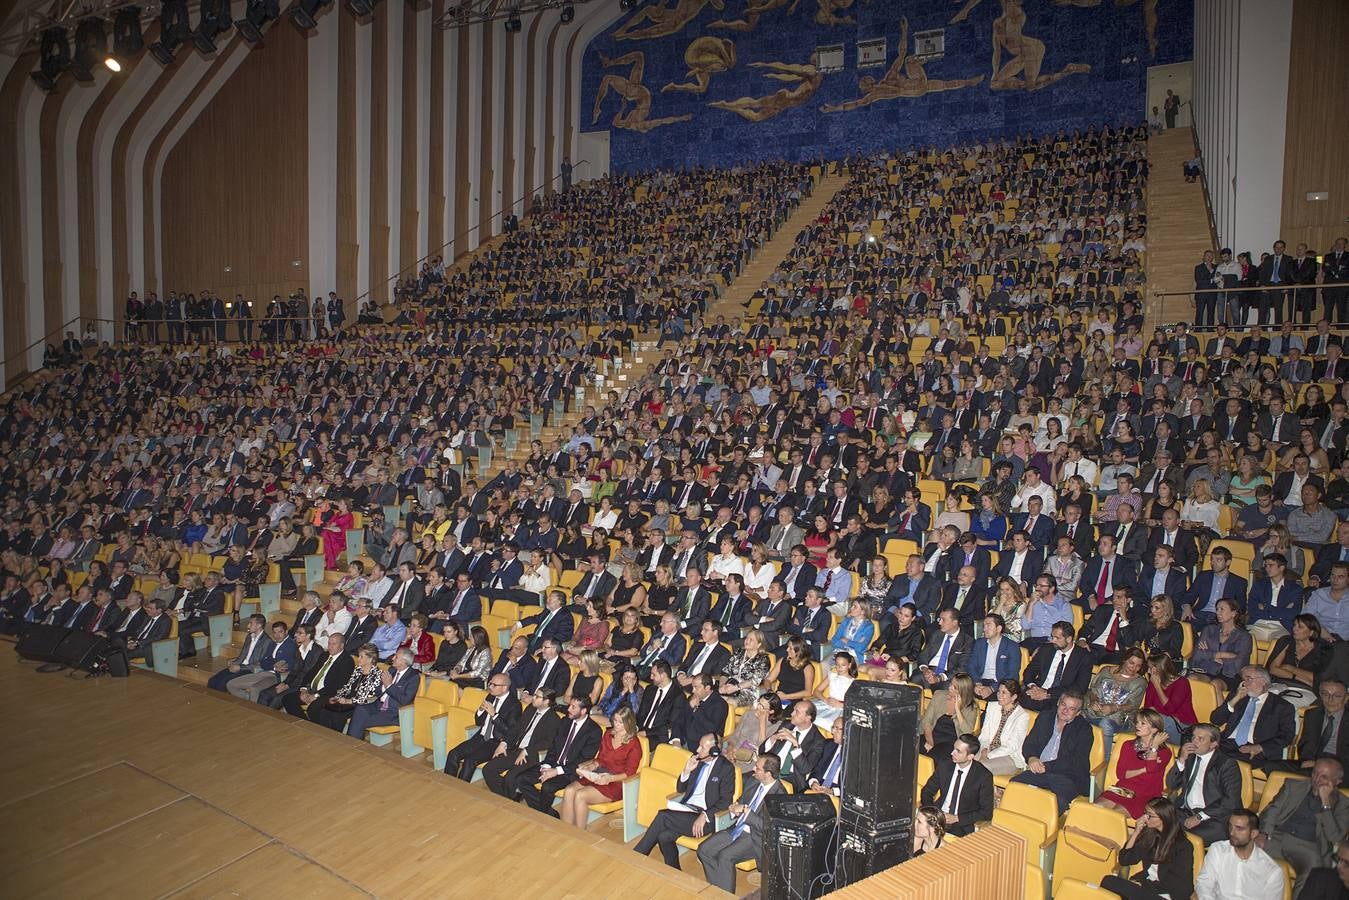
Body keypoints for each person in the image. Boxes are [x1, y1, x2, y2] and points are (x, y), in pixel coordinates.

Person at [633, 732, 736, 869]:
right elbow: (680, 788)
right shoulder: (697, 762)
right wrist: (687, 771)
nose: (698, 750)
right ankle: (674, 870)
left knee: (663, 816)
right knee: (664, 836)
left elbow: (725, 801)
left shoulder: (726, 769)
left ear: (714, 750)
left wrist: (704, 815)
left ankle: (637, 855)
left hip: (705, 819)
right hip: (686, 811)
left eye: (702, 748)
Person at [1257, 756, 1349, 894]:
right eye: (1314, 773)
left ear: (1336, 781)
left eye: (1323, 777)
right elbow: (1272, 810)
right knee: (1247, 852)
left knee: (1313, 876)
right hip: (1276, 837)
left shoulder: (1343, 803)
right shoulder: (1293, 785)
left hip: (1310, 847)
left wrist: (1325, 804)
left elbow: (1335, 837)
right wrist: (1264, 834)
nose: (1316, 780)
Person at [696, 753, 786, 894]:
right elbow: (742, 799)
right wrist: (734, 808)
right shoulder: (753, 781)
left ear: (768, 774)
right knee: (704, 850)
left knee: (725, 856)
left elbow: (768, 827)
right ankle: (720, 891)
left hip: (756, 838)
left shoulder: (780, 796)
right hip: (737, 828)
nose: (754, 769)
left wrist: (745, 811)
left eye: (758, 768)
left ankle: (724, 894)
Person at [514, 695, 604, 815]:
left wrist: (556, 771)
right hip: (553, 764)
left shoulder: (594, 731)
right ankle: (548, 813)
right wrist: (546, 766)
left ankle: (540, 814)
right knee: (522, 779)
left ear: (583, 711)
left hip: (571, 771)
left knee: (548, 786)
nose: (568, 709)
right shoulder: (565, 722)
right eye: (569, 706)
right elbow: (554, 747)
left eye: (573, 707)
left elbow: (583, 760)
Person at [1011, 689, 1094, 814]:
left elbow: (1075, 761)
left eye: (1071, 709)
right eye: (1063, 705)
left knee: (1055, 802)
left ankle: (1042, 829)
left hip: (1067, 777)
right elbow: (1030, 743)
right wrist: (1032, 757)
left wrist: (1047, 767)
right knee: (1014, 785)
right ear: (1058, 703)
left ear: (1078, 713)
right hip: (1039, 770)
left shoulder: (1084, 729)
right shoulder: (1045, 717)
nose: (1065, 710)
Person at [558, 706, 642, 827]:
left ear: (629, 723)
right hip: (599, 774)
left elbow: (630, 773)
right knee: (569, 790)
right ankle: (566, 829)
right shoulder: (608, 734)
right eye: (615, 721)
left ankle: (579, 833)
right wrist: (591, 766)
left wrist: (609, 778)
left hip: (616, 782)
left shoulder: (634, 744)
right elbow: (600, 759)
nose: (616, 725)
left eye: (620, 722)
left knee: (580, 795)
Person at [1101, 797, 1196, 900]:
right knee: (1108, 881)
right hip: (1148, 889)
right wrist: (1136, 832)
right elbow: (1125, 860)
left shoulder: (1183, 846)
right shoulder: (1150, 835)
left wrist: (1143, 884)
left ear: (1163, 818)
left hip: (1168, 895)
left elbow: (1177, 884)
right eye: (1145, 813)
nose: (1145, 818)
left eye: (1150, 816)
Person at [1211, 665, 1298, 771]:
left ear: (1263, 681)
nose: (1244, 683)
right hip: (1227, 744)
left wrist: (1260, 747)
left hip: (1255, 749)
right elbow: (1215, 720)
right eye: (1243, 680)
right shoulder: (1237, 697)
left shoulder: (1282, 706)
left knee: (1224, 762)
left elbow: (1287, 735)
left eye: (1248, 679)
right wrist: (1235, 700)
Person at [480, 688, 563, 798]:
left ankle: (507, 800)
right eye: (534, 695)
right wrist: (504, 743)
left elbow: (548, 743)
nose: (533, 698)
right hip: (515, 749)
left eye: (537, 697)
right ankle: (507, 799)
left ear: (546, 701)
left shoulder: (554, 719)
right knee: (488, 769)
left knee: (511, 777)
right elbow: (516, 729)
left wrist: (527, 750)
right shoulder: (530, 709)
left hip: (531, 755)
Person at [1169, 723, 1243, 846]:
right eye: (1193, 737)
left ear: (1213, 744)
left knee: (1184, 840)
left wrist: (1200, 816)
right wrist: (1181, 760)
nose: (1194, 741)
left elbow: (1231, 800)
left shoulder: (1226, 764)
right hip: (1186, 811)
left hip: (1213, 817)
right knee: (1155, 823)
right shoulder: (1189, 756)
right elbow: (1171, 784)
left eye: (1200, 739)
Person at [1195, 809, 1287, 900]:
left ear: (1253, 834)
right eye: (1230, 826)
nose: (1231, 832)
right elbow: (1204, 885)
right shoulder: (1218, 850)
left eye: (1239, 829)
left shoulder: (1271, 871)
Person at [1097, 709, 1174, 819]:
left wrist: (1154, 747)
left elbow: (1151, 768)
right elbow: (1121, 774)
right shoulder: (1128, 745)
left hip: (1145, 796)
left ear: (1154, 729)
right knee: (1097, 809)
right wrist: (1144, 769)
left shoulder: (1165, 752)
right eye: (1137, 722)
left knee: (1113, 817)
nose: (1137, 725)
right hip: (1123, 789)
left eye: (1143, 723)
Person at [442, 674, 520, 780]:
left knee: (470, 760)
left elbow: (510, 732)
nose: (490, 687)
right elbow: (478, 722)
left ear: (504, 687)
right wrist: (480, 710)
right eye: (490, 683)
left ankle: (460, 788)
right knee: (453, 754)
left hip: (495, 742)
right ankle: (448, 782)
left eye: (494, 685)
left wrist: (494, 715)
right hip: (480, 737)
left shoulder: (514, 705)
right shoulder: (491, 696)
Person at [920, 733, 994, 837]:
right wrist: (933, 812)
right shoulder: (945, 765)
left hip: (961, 824)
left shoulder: (983, 776)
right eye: (954, 748)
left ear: (970, 756)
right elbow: (927, 791)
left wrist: (957, 818)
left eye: (958, 751)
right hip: (938, 815)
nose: (952, 753)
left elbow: (986, 812)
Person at [1085, 647, 1148, 763]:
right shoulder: (1106, 671)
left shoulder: (1140, 682)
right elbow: (1093, 691)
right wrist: (1094, 701)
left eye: (1138, 666)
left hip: (1121, 718)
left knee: (1105, 724)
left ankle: (1103, 762)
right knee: (1077, 716)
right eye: (1131, 663)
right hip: (1096, 711)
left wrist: (1114, 707)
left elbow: (1132, 705)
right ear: (1124, 660)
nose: (1134, 668)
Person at [346, 647, 421, 740]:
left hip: (393, 713)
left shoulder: (413, 677)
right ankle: (352, 745)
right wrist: (383, 686)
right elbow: (377, 691)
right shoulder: (392, 670)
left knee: (358, 721)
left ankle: (351, 745)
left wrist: (389, 686)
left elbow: (405, 700)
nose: (393, 658)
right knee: (360, 709)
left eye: (396, 657)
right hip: (378, 705)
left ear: (403, 661)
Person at [308, 644, 385, 732]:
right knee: (325, 710)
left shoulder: (377, 675)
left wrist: (348, 701)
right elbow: (347, 687)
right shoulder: (358, 669)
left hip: (359, 706)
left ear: (371, 659)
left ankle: (335, 739)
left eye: (361, 657)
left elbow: (368, 698)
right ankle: (323, 736)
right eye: (358, 656)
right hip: (346, 700)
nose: (358, 659)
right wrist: (337, 697)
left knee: (337, 716)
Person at [976, 678, 1032, 776]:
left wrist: (988, 755)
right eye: (999, 691)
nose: (999, 695)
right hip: (987, 749)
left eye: (1004, 692)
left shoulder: (1022, 716)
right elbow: (985, 734)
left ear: (1014, 696)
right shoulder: (992, 707)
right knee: (965, 759)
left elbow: (1012, 746)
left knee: (981, 767)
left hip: (1009, 756)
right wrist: (984, 750)